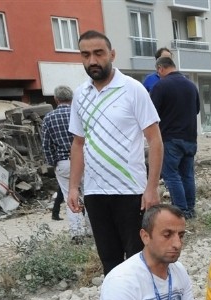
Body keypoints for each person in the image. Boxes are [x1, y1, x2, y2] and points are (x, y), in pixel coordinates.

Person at [68, 30, 163, 276]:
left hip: (130, 192)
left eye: (98, 53)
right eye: (86, 55)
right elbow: (78, 143)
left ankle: (143, 299)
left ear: (112, 54)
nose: (92, 60)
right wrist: (73, 187)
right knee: (109, 262)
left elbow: (154, 140)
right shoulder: (80, 94)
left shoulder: (133, 89)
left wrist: (151, 187)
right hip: (95, 193)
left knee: (138, 259)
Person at [151, 56, 200, 220]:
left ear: (160, 68)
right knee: (187, 175)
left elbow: (151, 112)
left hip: (170, 138)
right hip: (190, 138)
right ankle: (190, 209)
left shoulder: (160, 86)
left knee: (171, 175)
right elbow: (197, 109)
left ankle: (181, 211)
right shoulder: (191, 86)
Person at [41, 85, 91, 243]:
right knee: (89, 196)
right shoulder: (80, 113)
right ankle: (93, 230)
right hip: (85, 160)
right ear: (72, 98)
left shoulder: (49, 118)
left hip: (63, 162)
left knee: (70, 196)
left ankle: (77, 233)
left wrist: (53, 163)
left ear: (56, 99)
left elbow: (46, 145)